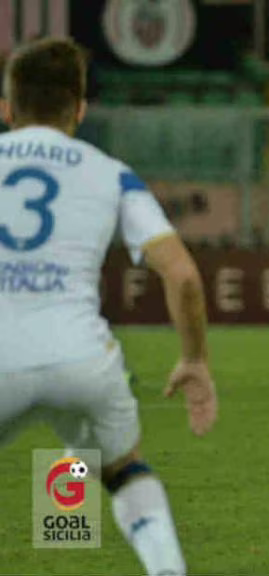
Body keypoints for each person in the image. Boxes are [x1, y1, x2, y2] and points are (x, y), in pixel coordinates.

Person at [0, 38, 217, 574]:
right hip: (84, 361)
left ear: (7, 108)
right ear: (79, 108)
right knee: (124, 469)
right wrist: (194, 360)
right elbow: (183, 275)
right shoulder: (110, 173)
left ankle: (70, 529)